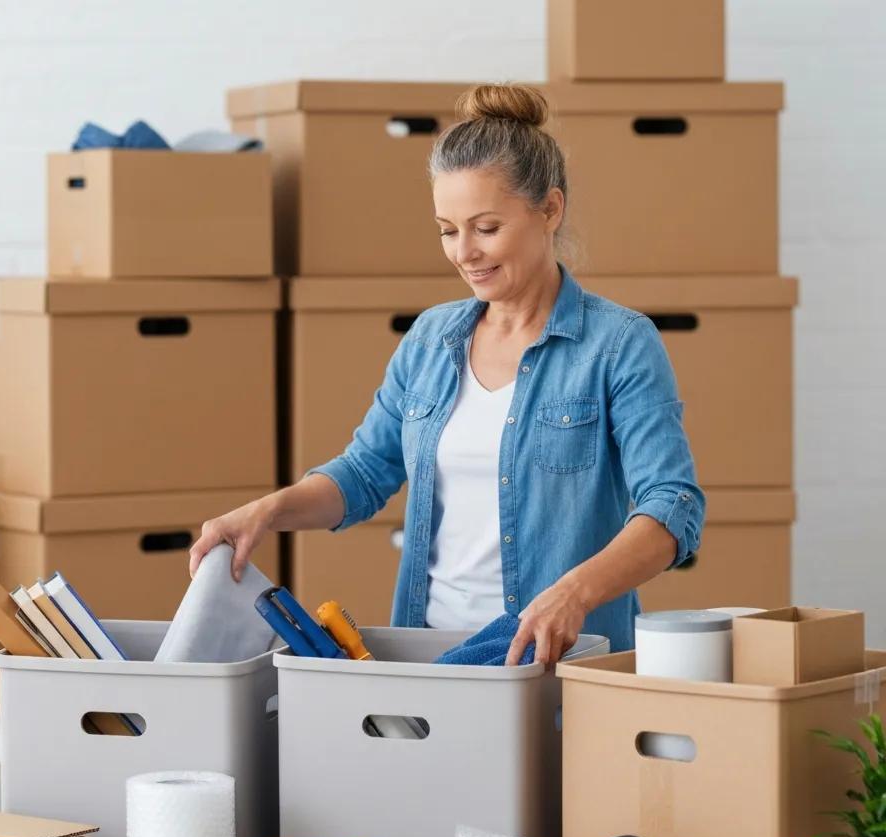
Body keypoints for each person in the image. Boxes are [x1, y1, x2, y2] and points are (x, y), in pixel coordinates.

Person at [189, 82, 705, 665]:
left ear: (550, 209)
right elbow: (363, 473)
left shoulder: (618, 345)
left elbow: (672, 507)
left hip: (559, 661)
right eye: (447, 229)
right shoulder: (432, 340)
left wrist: (572, 594)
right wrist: (266, 511)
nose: (464, 252)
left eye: (486, 228)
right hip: (431, 656)